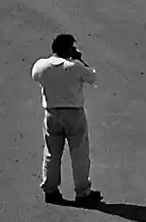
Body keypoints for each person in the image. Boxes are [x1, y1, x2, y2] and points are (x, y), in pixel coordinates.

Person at [31, 33, 102, 207]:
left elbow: (36, 77)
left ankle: (50, 190)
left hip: (52, 114)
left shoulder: (41, 65)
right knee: (79, 155)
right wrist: (80, 60)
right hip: (74, 115)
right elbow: (93, 78)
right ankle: (83, 192)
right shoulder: (75, 67)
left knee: (51, 154)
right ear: (68, 48)